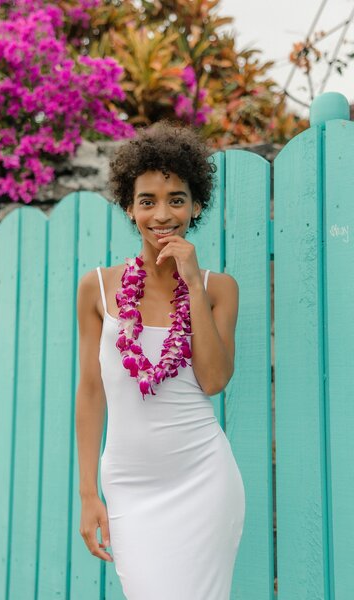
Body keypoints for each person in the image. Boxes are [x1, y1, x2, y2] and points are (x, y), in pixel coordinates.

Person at [75, 120, 245, 600]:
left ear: (196, 205)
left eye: (176, 198)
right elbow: (91, 391)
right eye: (147, 200)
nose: (162, 214)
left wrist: (191, 282)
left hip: (204, 479)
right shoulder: (98, 288)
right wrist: (89, 493)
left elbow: (213, 380)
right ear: (129, 208)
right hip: (129, 483)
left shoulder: (218, 289)